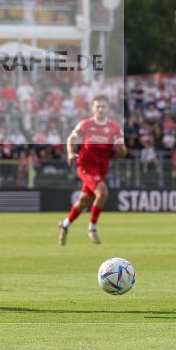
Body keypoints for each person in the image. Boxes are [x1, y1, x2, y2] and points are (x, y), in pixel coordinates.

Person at [59, 95, 126, 246]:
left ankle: (65, 225)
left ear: (108, 108)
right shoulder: (86, 124)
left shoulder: (115, 128)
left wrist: (121, 148)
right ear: (92, 109)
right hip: (85, 166)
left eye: (103, 106)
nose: (100, 109)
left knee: (83, 201)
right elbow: (71, 138)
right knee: (102, 192)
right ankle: (92, 228)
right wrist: (70, 152)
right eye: (98, 107)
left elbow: (123, 152)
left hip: (101, 169)